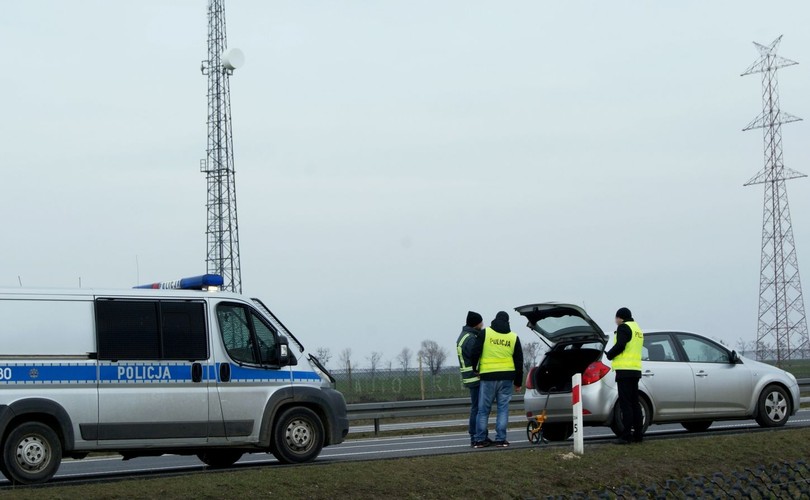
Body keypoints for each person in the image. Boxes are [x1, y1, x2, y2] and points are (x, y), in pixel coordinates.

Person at [471, 311, 523, 448]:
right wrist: (518, 382)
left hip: (488, 377)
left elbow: (475, 351)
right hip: (506, 378)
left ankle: (480, 439)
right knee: (503, 409)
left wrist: (475, 368)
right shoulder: (513, 337)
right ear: (508, 322)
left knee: (483, 410)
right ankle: (500, 439)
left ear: (495, 320)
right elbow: (519, 361)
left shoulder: (486, 333)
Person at [605, 307, 644, 445]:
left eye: (616, 318)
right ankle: (638, 434)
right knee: (635, 403)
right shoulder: (637, 329)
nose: (615, 321)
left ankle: (626, 435)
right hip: (635, 369)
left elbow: (621, 345)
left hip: (624, 370)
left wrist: (610, 354)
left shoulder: (623, 327)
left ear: (620, 317)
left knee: (625, 403)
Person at [456, 311, 489, 447]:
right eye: (481, 322)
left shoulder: (465, 336)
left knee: (478, 408)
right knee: (478, 409)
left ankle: (480, 435)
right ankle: (476, 436)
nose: (482, 324)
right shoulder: (470, 338)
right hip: (475, 377)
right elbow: (476, 356)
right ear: (476, 323)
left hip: (470, 377)